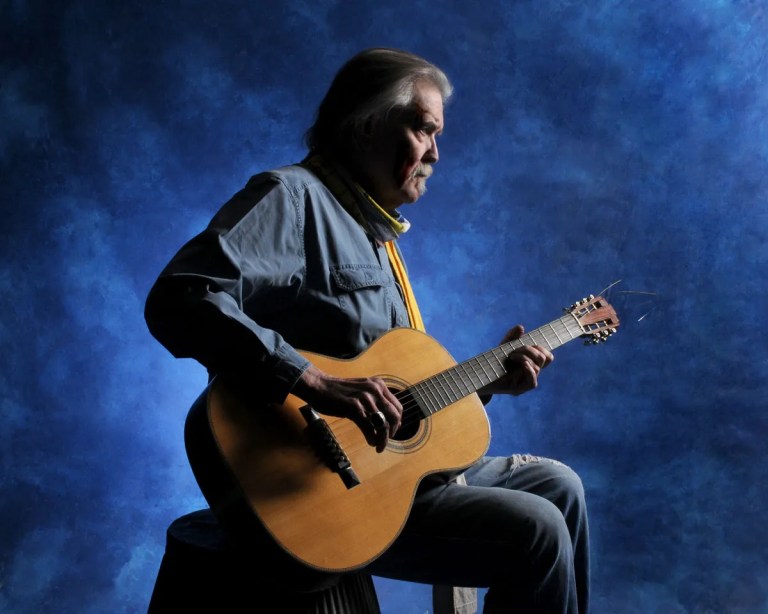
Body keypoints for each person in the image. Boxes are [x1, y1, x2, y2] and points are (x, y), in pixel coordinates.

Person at [145, 48, 589, 614]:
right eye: (423, 129)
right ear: (365, 125)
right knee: (539, 528)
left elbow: (397, 403)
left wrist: (488, 384)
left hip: (394, 471)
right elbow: (182, 296)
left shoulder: (376, 236)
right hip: (321, 490)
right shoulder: (293, 197)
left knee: (560, 486)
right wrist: (314, 382)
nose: (435, 153)